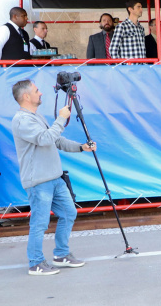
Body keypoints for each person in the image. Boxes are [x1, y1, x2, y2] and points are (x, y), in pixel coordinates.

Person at [10, 79, 97, 276]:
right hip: (39, 181)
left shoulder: (35, 116)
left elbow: (56, 140)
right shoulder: (22, 120)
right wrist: (61, 119)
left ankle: (61, 254)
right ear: (26, 96)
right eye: (36, 90)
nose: (40, 93)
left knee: (68, 213)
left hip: (55, 178)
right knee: (40, 222)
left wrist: (81, 148)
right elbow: (45, 138)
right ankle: (36, 263)